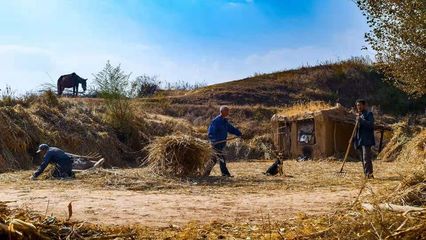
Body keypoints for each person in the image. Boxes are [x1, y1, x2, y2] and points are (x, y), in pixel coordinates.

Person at [204, 106, 242, 177]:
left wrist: (239, 133)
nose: (228, 112)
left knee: (214, 159)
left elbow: (231, 129)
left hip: (222, 143)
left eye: (228, 111)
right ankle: (225, 174)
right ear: (222, 112)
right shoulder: (216, 121)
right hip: (216, 143)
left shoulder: (225, 121)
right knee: (222, 158)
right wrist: (213, 141)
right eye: (227, 111)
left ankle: (206, 173)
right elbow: (210, 133)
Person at [354, 99, 375, 179]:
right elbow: (356, 129)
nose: (358, 107)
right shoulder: (359, 115)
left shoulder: (369, 114)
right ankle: (366, 174)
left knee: (366, 158)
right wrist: (353, 138)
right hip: (359, 140)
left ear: (364, 105)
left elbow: (371, 125)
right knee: (362, 159)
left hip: (366, 140)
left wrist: (361, 120)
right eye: (357, 105)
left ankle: (369, 175)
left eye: (360, 105)